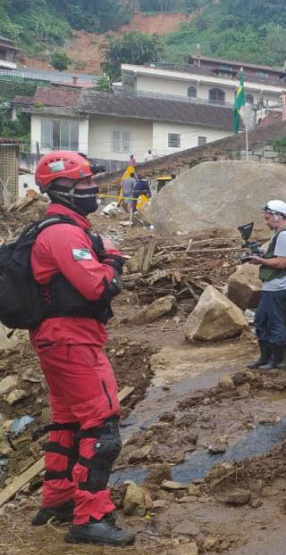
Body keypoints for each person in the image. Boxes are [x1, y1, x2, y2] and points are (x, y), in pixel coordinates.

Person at [28, 151, 134, 546]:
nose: (93, 189)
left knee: (68, 420)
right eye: (86, 183)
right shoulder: (63, 233)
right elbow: (98, 286)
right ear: (65, 189)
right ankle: (90, 516)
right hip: (72, 339)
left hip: (59, 338)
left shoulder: (61, 228)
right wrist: (114, 261)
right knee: (102, 424)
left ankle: (58, 499)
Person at [246, 200, 286, 370]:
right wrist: (261, 253)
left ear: (278, 217)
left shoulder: (284, 235)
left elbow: (281, 262)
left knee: (274, 322)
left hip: (278, 286)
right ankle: (265, 358)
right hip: (272, 286)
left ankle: (277, 360)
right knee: (261, 319)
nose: (266, 221)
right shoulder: (279, 234)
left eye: (268, 217)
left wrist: (260, 260)